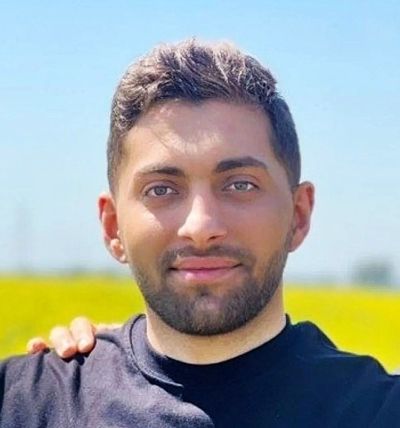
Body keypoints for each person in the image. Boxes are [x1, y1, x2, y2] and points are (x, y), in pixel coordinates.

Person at [1, 39, 399, 428]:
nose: (200, 227)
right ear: (112, 226)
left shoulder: (377, 410)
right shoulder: (24, 403)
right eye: (161, 190)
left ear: (298, 214)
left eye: (240, 184)